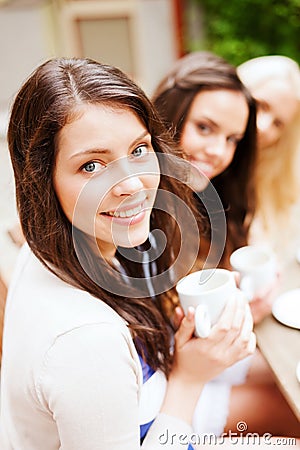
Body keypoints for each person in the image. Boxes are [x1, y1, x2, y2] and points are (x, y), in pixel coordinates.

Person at [0, 57, 258, 450]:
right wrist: (190, 379)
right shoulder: (86, 342)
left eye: (139, 150)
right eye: (92, 165)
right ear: (41, 178)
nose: (133, 184)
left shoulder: (66, 250)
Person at [152, 51, 300, 437]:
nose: (218, 151)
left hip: (192, 369)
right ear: (171, 113)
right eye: (204, 127)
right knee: (287, 407)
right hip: (163, 398)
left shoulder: (203, 196)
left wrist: (243, 309)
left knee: (286, 382)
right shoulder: (138, 208)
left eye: (232, 138)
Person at [237, 55, 300, 253]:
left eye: (278, 124)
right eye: (260, 105)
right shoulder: (202, 161)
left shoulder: (273, 180)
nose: (263, 127)